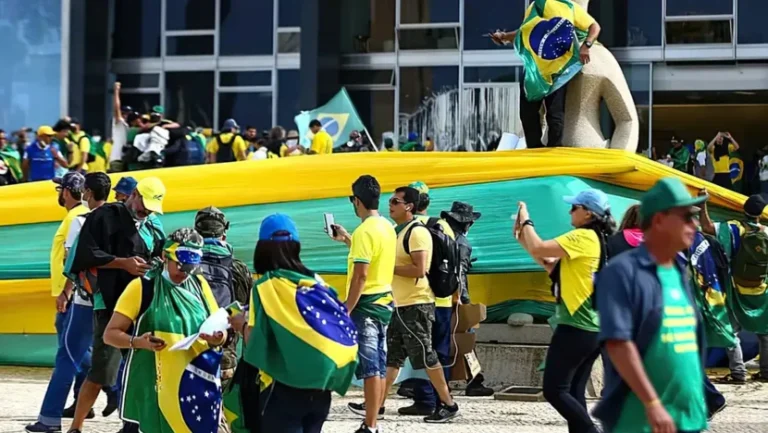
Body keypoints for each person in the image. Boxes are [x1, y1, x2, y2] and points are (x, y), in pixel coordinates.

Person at [594, 177, 709, 433]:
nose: (695, 224)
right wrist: (652, 403)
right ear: (658, 220)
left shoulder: (678, 272)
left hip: (686, 416)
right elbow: (618, 344)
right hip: (640, 420)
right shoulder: (622, 273)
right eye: (686, 216)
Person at [228, 213, 357, 433]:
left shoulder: (266, 287)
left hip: (283, 390)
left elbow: (254, 340)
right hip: (321, 389)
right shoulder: (316, 282)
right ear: (296, 246)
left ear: (262, 247)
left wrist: (239, 323)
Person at [64, 177, 167, 433]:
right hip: (110, 302)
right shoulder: (104, 217)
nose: (146, 213)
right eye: (144, 208)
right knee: (102, 369)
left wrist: (155, 264)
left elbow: (160, 256)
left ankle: (132, 426)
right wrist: (123, 263)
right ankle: (75, 428)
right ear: (133, 195)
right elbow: (85, 254)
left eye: (151, 210)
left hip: (142, 302)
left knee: (142, 370)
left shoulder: (153, 224)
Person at [102, 228, 226, 433]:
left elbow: (219, 328)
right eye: (180, 266)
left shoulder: (200, 285)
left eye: (189, 268)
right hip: (156, 385)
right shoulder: (142, 287)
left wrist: (218, 338)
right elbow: (110, 334)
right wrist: (138, 342)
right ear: (164, 256)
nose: (184, 273)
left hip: (194, 383)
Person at [515, 188, 615, 433]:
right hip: (593, 327)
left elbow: (539, 247)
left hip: (576, 326)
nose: (570, 210)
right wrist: (522, 238)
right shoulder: (596, 239)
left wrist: (526, 218)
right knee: (573, 391)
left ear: (588, 213)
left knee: (554, 390)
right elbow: (551, 266)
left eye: (574, 207)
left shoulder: (582, 237)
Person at [379, 186, 459, 423]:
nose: (390, 204)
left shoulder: (417, 233)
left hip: (417, 304)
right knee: (392, 356)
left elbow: (420, 268)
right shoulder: (397, 231)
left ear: (409, 207)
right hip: (400, 304)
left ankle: (448, 403)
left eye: (395, 201)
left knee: (426, 356)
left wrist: (387, 268)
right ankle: (378, 403)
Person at [330, 175, 396, 433]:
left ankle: (370, 425)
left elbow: (361, 275)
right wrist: (347, 239)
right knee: (378, 364)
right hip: (384, 303)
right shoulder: (387, 227)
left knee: (370, 368)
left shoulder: (364, 232)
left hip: (366, 306)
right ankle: (372, 421)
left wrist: (346, 307)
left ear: (356, 200)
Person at [24, 173, 89, 433]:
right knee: (76, 351)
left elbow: (69, 260)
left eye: (61, 189)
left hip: (71, 296)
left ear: (68, 192)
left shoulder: (75, 218)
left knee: (69, 353)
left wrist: (65, 292)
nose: (58, 193)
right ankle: (97, 389)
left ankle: (110, 382)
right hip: (70, 294)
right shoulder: (75, 216)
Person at [490, 1, 600, 149]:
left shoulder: (569, 7)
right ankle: (535, 148)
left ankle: (555, 149)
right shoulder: (535, 7)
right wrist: (504, 37)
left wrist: (586, 46)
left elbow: (594, 27)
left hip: (558, 69)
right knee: (527, 112)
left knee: (555, 113)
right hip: (535, 69)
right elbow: (527, 32)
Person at [700, 193, 768, 384]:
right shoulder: (767, 232)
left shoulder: (734, 228)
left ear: (743, 209)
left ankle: (738, 373)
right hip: (761, 288)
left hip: (735, 287)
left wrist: (703, 203)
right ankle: (766, 372)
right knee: (765, 332)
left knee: (733, 331)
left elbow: (706, 227)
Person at [194, 206, 253, 386]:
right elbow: (247, 312)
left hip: (191, 351)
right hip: (226, 355)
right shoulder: (238, 268)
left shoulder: (185, 267)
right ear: (224, 235)